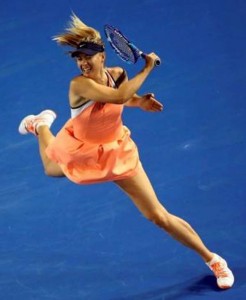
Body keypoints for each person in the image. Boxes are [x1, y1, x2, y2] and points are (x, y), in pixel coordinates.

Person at [18, 14, 234, 289]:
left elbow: (122, 98)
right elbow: (117, 97)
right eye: (77, 58)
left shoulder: (117, 74)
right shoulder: (79, 85)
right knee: (50, 168)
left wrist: (139, 102)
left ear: (102, 56)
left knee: (157, 215)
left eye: (87, 56)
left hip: (116, 150)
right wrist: (147, 69)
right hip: (83, 149)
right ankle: (42, 125)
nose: (82, 63)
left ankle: (213, 259)